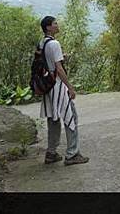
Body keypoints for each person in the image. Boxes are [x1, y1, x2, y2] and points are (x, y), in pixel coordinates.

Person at [39, 16, 89, 166]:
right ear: (48, 27)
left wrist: (61, 58)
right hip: (58, 85)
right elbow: (59, 68)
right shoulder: (54, 43)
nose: (57, 25)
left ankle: (51, 153)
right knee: (70, 117)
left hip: (48, 85)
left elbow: (49, 62)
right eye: (55, 23)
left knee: (53, 119)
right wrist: (70, 87)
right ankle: (72, 154)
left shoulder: (43, 42)